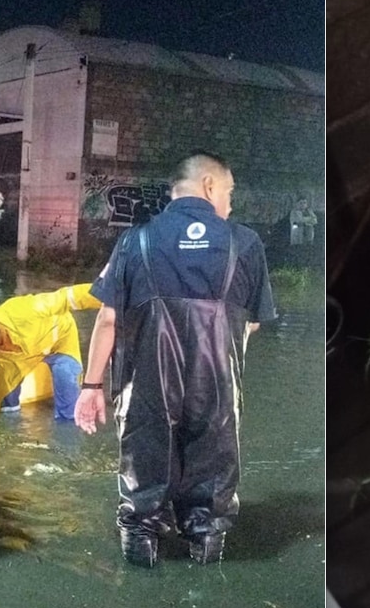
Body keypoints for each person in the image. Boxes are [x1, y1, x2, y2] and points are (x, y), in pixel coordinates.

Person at [74, 151, 276, 568]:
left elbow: (109, 320)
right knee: (214, 470)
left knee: (143, 473)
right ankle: (204, 544)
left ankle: (141, 545)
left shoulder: (135, 240)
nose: (231, 203)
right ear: (208, 185)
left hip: (147, 385)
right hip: (217, 385)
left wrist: (91, 387)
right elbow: (252, 325)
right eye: (229, 191)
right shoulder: (246, 243)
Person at [0, 284, 101, 420]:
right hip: (22, 359)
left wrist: (108, 295)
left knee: (65, 376)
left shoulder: (25, 311)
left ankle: (68, 429)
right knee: (3, 406)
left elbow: (66, 297)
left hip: (59, 341)